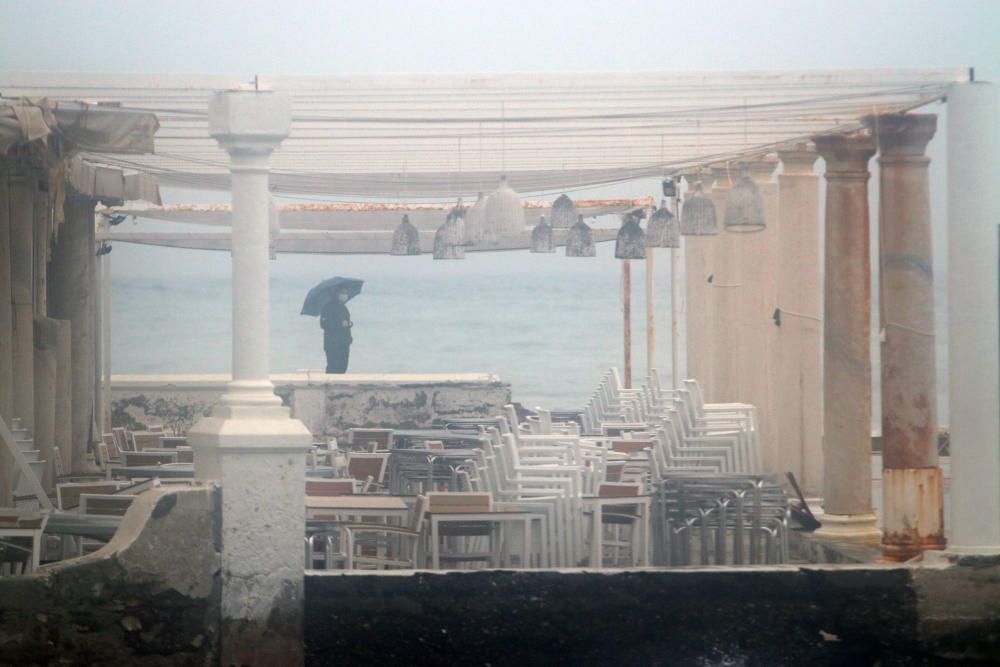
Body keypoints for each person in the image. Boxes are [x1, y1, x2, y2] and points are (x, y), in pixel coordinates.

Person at [320, 286, 353, 373]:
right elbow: (323, 324)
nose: (344, 295)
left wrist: (349, 335)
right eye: (343, 293)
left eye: (346, 293)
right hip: (332, 343)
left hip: (344, 343)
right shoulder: (327, 308)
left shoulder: (343, 308)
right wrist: (339, 324)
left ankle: (339, 385)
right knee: (333, 367)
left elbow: (346, 323)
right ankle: (329, 385)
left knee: (343, 366)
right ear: (337, 294)